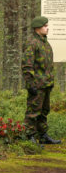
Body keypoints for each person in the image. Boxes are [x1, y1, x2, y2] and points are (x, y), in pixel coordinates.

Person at [22, 16, 61, 145]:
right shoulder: (32, 43)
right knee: (33, 112)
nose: (47, 28)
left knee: (44, 111)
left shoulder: (44, 42)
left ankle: (43, 135)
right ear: (38, 28)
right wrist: (30, 83)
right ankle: (29, 136)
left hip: (46, 83)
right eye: (45, 26)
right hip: (37, 84)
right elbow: (27, 65)